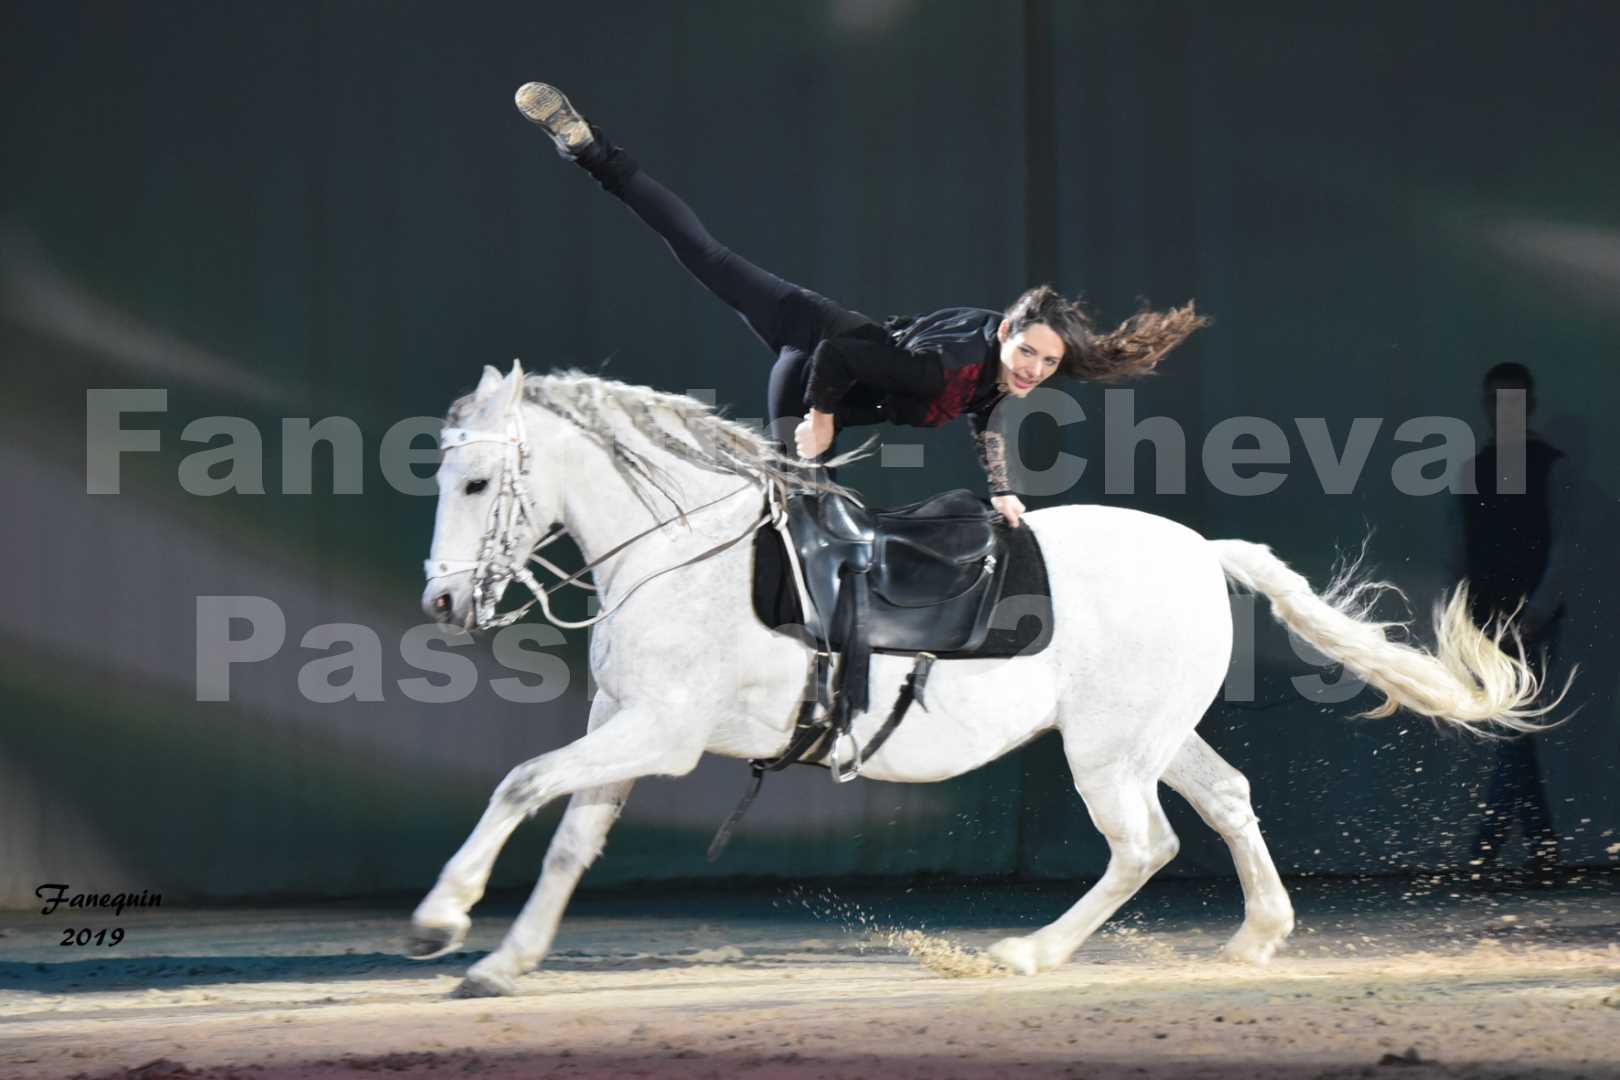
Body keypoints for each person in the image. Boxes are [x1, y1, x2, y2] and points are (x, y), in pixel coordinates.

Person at [515, 83, 1209, 526]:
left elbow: (988, 419)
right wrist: (817, 422)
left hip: (832, 349)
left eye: (1047, 363)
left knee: (790, 488)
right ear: (1004, 336)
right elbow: (841, 356)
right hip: (820, 343)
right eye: (1027, 353)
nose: (1032, 370)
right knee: (790, 487)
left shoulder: (991, 376)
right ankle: (591, 150)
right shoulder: (947, 370)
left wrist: (1001, 491)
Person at [1452, 362, 1575, 871]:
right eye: (1495, 402)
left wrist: (1540, 608)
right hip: (1484, 613)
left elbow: (1565, 544)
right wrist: (1457, 613)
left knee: (1512, 728)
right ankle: (1540, 849)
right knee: (1511, 730)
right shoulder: (1474, 468)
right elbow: (1462, 547)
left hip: (1530, 616)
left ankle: (1490, 847)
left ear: (1527, 407)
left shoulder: (1551, 465)